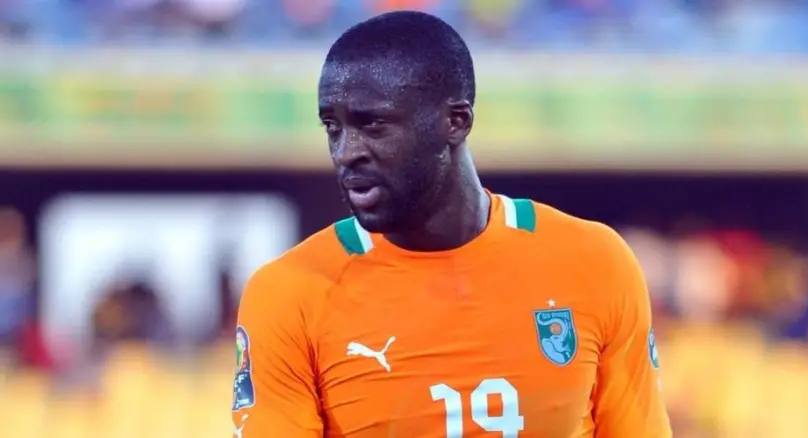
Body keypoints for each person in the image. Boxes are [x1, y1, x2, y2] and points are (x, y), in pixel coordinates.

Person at [231, 10, 672, 438]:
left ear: (455, 122)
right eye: (333, 128)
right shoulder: (290, 294)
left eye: (373, 125)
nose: (347, 151)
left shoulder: (594, 261)